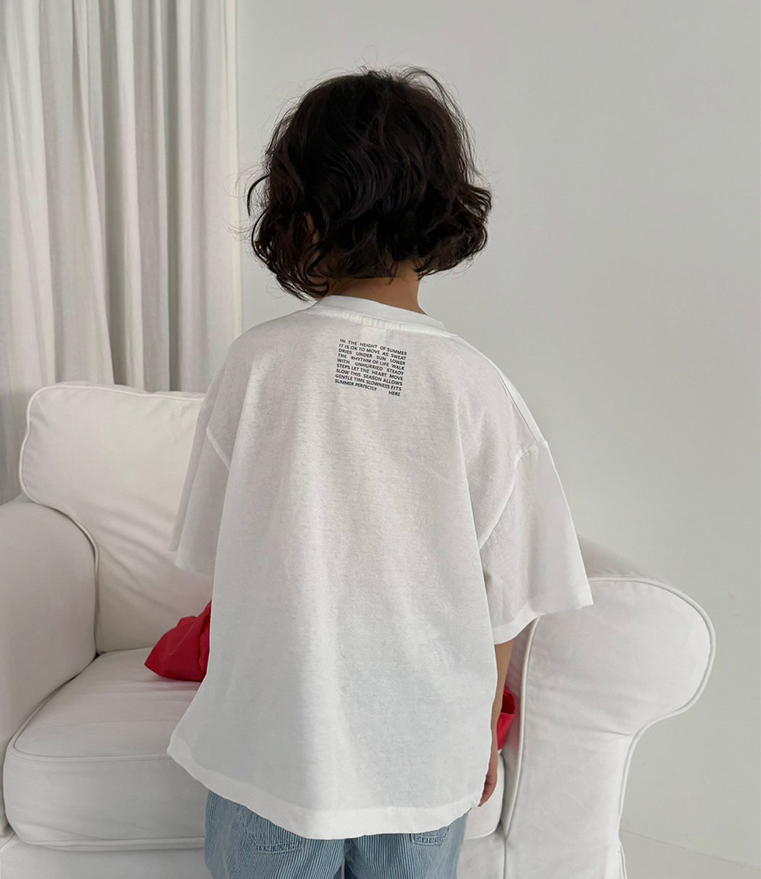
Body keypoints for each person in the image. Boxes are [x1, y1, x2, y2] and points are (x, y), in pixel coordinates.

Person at [166, 65, 595, 879]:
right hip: (423, 762)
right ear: (442, 210)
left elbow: (212, 548)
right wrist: (479, 731)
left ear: (297, 211)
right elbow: (508, 598)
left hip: (275, 754)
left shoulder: (257, 366)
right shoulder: (480, 388)